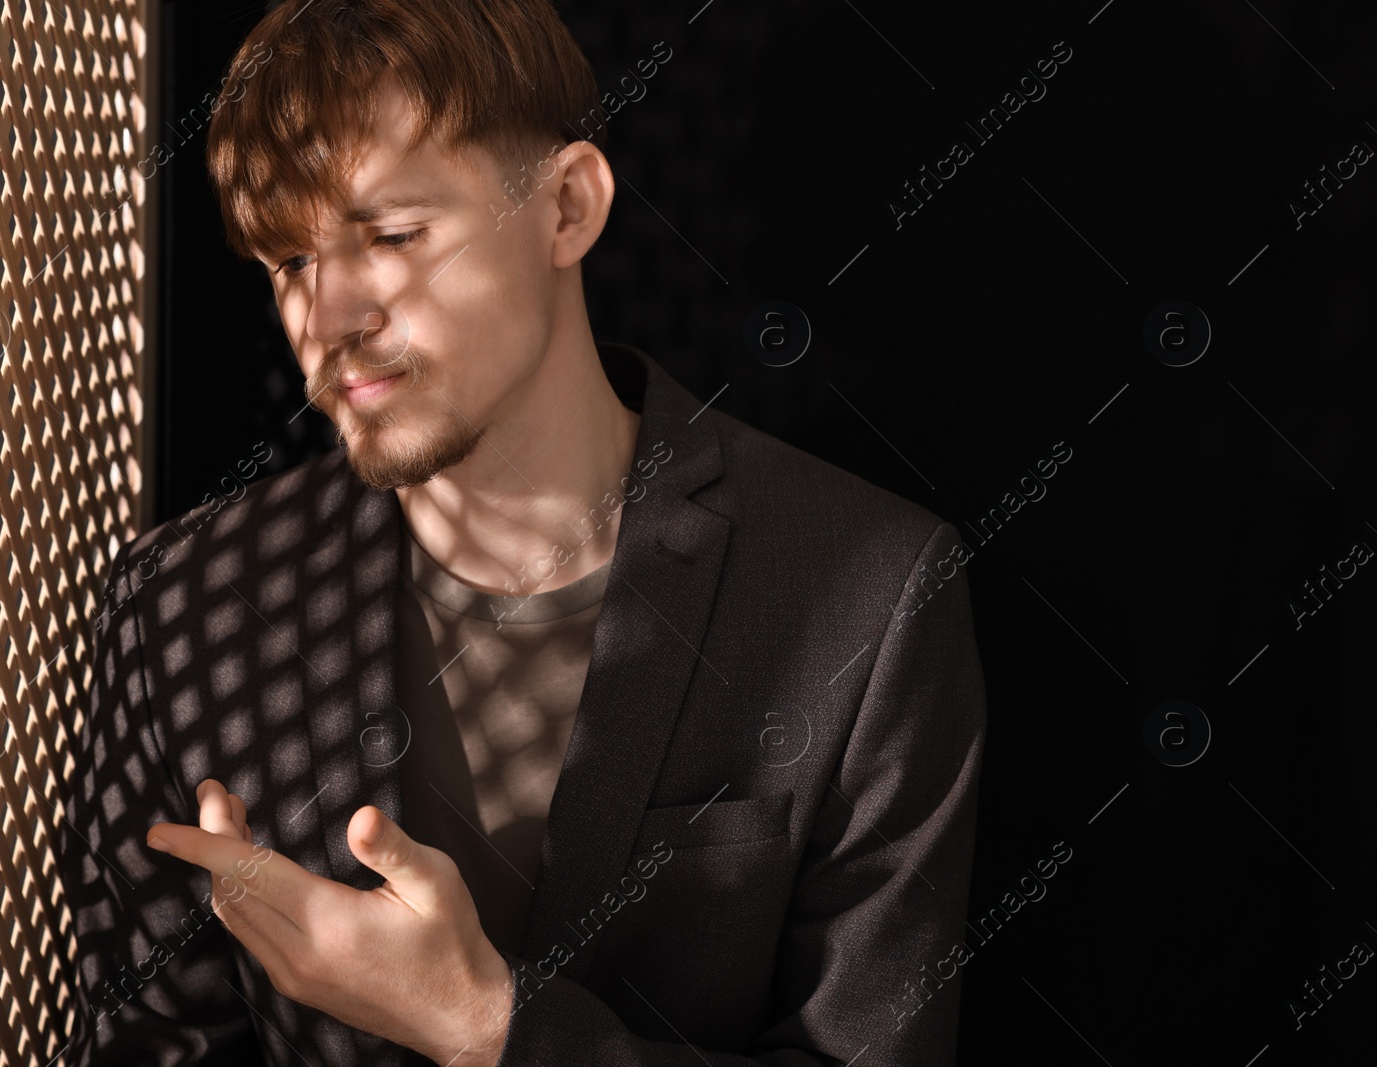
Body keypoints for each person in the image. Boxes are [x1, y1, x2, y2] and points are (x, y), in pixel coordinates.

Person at [60, 1, 987, 1064]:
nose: (328, 315)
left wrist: (488, 1026)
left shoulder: (868, 590)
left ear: (567, 207)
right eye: (286, 261)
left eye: (393, 237)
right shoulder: (184, 601)